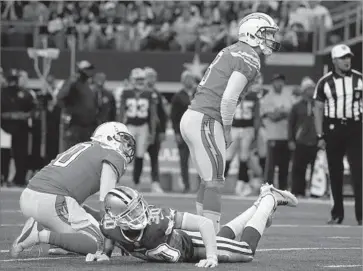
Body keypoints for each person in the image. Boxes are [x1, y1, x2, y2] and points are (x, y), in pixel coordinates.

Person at [180, 12, 281, 232]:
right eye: (267, 33)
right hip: (206, 118)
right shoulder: (249, 56)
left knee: (207, 181)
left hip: (195, 116)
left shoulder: (232, 50)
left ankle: (201, 232)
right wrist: (226, 129)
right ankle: (211, 236)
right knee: (215, 182)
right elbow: (229, 97)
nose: (271, 38)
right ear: (253, 33)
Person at [84, 184, 298, 267]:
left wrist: (212, 256)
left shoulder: (159, 220)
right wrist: (104, 252)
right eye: (134, 211)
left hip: (191, 245)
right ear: (118, 217)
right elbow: (108, 233)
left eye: (140, 206)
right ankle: (259, 204)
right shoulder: (110, 225)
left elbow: (204, 224)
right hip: (182, 252)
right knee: (223, 238)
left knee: (245, 251)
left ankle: (270, 199)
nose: (142, 213)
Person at [10, 122, 136, 258]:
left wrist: (89, 213)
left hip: (31, 196)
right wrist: (115, 240)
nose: (127, 147)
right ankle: (39, 234)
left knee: (83, 214)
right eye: (123, 140)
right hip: (52, 200)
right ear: (109, 137)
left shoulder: (85, 146)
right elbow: (106, 205)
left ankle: (62, 243)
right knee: (97, 243)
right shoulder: (113, 155)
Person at [313, 44, 362, 225]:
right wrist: (320, 135)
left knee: (359, 170)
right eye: (343, 58)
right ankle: (337, 214)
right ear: (334, 60)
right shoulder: (325, 82)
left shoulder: (359, 79)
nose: (347, 60)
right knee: (335, 172)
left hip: (356, 128)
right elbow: (318, 109)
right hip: (333, 129)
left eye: (348, 57)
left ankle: (361, 214)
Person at [119, 68, 158, 192]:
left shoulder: (149, 93)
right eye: (138, 79)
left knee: (140, 154)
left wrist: (152, 132)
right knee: (122, 154)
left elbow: (153, 115)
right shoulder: (126, 92)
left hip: (143, 126)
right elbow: (121, 112)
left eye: (142, 79)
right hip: (129, 125)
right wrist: (119, 128)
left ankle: (136, 181)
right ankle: (115, 179)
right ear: (132, 80)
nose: (140, 82)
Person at [224, 74, 262, 196]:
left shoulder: (251, 96)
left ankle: (240, 185)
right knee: (231, 157)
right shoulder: (236, 95)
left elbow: (256, 116)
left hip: (245, 128)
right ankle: (220, 184)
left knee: (242, 157)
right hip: (238, 128)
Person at [1, 69, 37, 187]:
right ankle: (4, 177)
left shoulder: (25, 93)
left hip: (20, 128)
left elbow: (33, 109)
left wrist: (24, 115)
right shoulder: (2, 93)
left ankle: (19, 178)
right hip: (4, 128)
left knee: (20, 155)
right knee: (5, 155)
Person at [260, 74, 294, 190]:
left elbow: (293, 115)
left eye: (281, 81)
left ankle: (283, 189)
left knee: (284, 166)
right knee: (271, 166)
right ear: (272, 83)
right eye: (277, 81)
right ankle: (268, 189)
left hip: (286, 136)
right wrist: (284, 113)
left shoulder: (288, 96)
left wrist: (281, 112)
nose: (279, 83)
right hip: (273, 136)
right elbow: (272, 116)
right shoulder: (268, 98)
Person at [56, 60, 97, 152]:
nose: (90, 72)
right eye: (88, 69)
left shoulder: (88, 86)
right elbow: (60, 98)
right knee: (72, 153)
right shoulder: (72, 82)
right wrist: (70, 111)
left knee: (85, 154)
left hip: (88, 126)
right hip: (75, 125)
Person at [288, 77, 318, 197]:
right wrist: (291, 140)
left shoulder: (319, 105)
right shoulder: (297, 106)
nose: (312, 91)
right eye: (309, 89)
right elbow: (291, 124)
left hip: (315, 141)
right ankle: (297, 190)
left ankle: (315, 191)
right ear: (304, 91)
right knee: (299, 167)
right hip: (300, 141)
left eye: (313, 88)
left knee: (316, 169)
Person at [171, 71, 198, 193]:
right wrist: (176, 132)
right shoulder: (178, 96)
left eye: (191, 78)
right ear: (182, 81)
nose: (189, 81)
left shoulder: (200, 93)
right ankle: (186, 185)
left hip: (197, 131)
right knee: (184, 160)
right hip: (183, 131)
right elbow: (174, 116)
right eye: (187, 78)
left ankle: (201, 186)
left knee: (200, 160)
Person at [144, 67, 168, 193]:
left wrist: (162, 131)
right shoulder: (139, 93)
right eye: (149, 77)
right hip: (142, 129)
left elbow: (162, 115)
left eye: (153, 77)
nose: (151, 80)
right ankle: (135, 181)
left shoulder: (157, 94)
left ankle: (155, 182)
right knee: (137, 158)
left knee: (154, 158)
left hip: (154, 131)